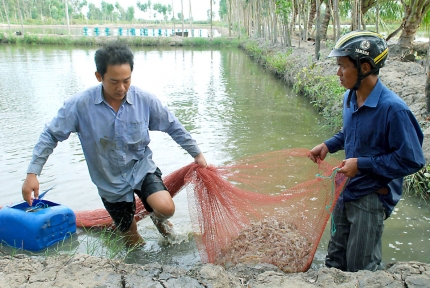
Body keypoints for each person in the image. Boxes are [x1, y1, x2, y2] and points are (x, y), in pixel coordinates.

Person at [22, 41, 208, 247]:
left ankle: (157, 218)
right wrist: (33, 173)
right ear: (99, 77)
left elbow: (173, 126)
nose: (121, 88)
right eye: (114, 82)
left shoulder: (144, 100)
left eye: (126, 81)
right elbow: (50, 135)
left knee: (166, 208)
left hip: (141, 168)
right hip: (109, 181)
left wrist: (197, 154)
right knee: (132, 241)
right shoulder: (79, 106)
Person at [308, 30, 425, 272]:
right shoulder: (350, 98)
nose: (338, 73)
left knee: (361, 267)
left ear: (364, 67)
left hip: (370, 198)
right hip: (345, 190)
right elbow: (350, 133)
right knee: (335, 261)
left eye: (343, 66)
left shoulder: (393, 110)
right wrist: (329, 145)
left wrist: (362, 164)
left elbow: (411, 159)